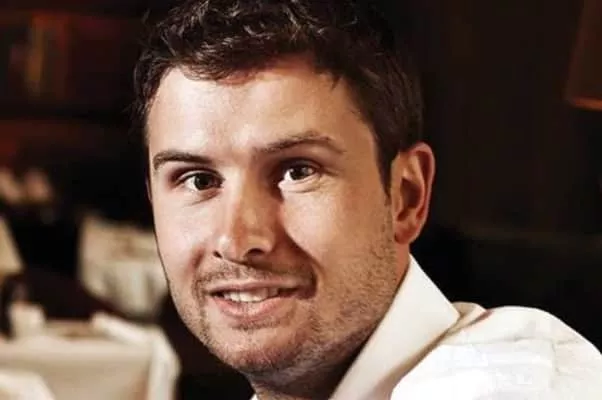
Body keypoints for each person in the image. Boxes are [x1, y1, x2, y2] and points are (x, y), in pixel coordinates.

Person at [133, 0, 602, 398]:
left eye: (298, 171)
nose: (236, 240)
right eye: (198, 180)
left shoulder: (513, 383)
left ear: (406, 196)